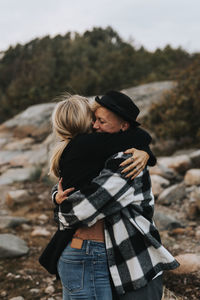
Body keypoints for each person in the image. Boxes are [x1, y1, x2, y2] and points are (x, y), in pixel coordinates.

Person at [42, 91, 179, 300]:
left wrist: (59, 206)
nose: (96, 126)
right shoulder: (95, 150)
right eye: (94, 120)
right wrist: (145, 149)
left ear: (123, 126)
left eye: (101, 121)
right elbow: (75, 194)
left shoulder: (122, 160)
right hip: (99, 255)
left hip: (123, 257)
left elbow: (71, 203)